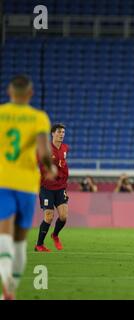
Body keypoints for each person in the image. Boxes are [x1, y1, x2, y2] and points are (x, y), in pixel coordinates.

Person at [0, 75, 56, 299]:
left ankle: (5, 284)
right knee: (20, 241)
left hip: (2, 180)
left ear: (9, 92)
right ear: (31, 93)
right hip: (26, 183)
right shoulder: (38, 117)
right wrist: (50, 168)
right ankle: (10, 290)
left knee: (3, 234)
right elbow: (43, 151)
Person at [35, 123, 69, 252]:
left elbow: (63, 164)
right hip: (46, 187)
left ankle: (55, 235)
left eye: (63, 132)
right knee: (49, 216)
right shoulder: (45, 149)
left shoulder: (65, 148)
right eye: (59, 132)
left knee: (64, 216)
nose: (61, 134)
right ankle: (39, 245)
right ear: (52, 133)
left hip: (60, 187)